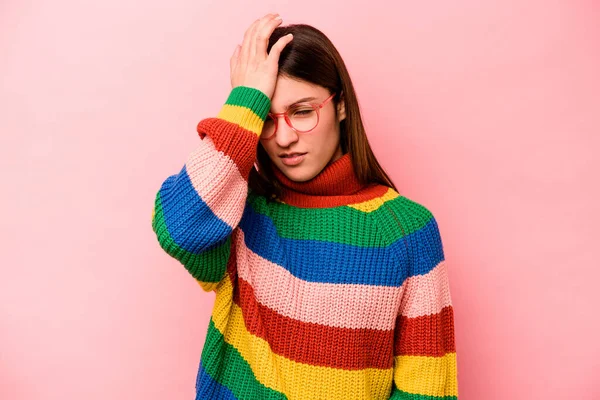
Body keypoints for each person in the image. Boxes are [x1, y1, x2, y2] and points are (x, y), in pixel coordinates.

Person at [151, 13, 459, 400]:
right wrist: (245, 101)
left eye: (302, 112)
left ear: (341, 106)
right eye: (266, 118)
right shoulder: (239, 213)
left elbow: (428, 390)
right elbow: (177, 228)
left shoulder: (408, 231)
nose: (283, 138)